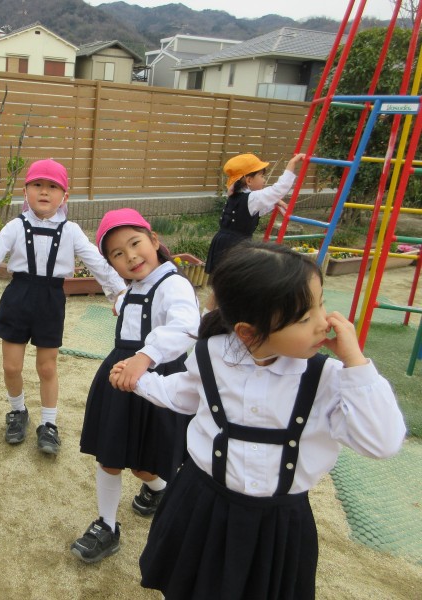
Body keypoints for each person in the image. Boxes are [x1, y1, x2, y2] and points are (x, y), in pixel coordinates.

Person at [113, 241, 406, 599]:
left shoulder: (328, 379)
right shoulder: (212, 354)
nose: (324, 323)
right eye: (304, 318)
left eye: (321, 303)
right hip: (202, 504)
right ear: (248, 332)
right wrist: (139, 381)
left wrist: (356, 365)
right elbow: (185, 393)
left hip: (277, 522)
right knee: (190, 588)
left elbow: (382, 442)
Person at [0, 159, 126, 454]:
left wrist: (120, 292)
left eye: (52, 187)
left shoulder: (71, 231)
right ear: (25, 191)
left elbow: (98, 263)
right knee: (11, 366)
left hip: (51, 300)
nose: (44, 192)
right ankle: (17, 411)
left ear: (64, 196)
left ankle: (48, 424)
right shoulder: (15, 227)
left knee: (47, 367)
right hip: (17, 297)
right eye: (37, 185)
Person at [71, 208, 200, 564]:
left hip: (158, 382)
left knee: (147, 463)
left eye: (135, 243)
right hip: (119, 380)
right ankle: (107, 525)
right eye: (117, 253)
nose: (129, 256)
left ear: (154, 240)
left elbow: (187, 325)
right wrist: (121, 302)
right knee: (110, 456)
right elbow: (124, 301)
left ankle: (160, 490)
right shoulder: (132, 288)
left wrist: (146, 357)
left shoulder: (174, 284)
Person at [205, 152, 306, 276]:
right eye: (261, 176)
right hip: (235, 246)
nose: (264, 180)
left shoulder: (238, 195)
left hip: (223, 242)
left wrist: (275, 202)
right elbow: (278, 190)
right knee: (234, 279)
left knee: (222, 279)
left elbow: (255, 211)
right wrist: (292, 164)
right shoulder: (251, 198)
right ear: (249, 180)